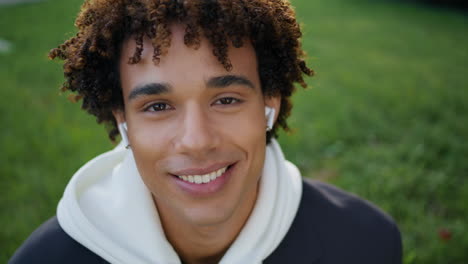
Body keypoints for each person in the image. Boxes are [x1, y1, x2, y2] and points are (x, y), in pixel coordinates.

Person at [9, 0, 402, 263]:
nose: (197, 141)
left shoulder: (366, 243)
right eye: (158, 106)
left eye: (226, 99)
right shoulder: (45, 259)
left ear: (271, 102)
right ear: (122, 121)